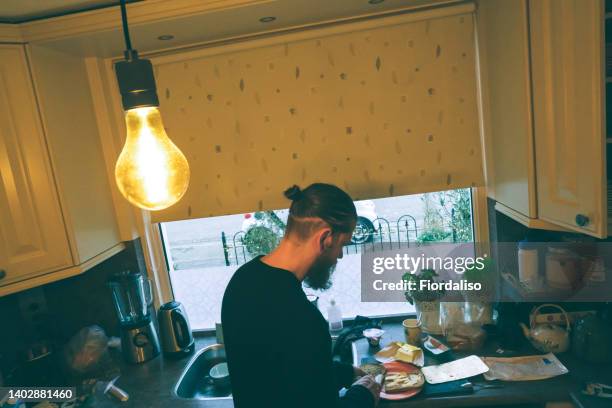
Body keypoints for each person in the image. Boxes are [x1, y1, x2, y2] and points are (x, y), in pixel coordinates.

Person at [222, 183, 381, 408]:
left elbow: (279, 372)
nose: (341, 256)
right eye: (342, 245)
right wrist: (363, 396)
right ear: (325, 238)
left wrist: (345, 374)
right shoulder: (302, 318)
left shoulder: (242, 280)